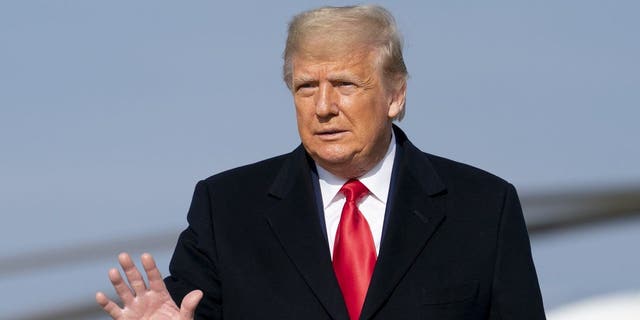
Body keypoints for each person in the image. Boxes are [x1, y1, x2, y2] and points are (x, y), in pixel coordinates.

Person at [96, 5, 546, 320]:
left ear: (395, 95)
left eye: (346, 84)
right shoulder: (226, 209)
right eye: (306, 87)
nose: (324, 107)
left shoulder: (484, 207)